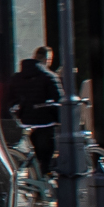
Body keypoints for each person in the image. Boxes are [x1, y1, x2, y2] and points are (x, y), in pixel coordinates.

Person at [10, 46, 63, 175]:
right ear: (46, 59)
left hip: (25, 120)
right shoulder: (49, 76)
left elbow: (11, 97)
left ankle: (34, 180)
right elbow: (60, 100)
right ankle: (43, 186)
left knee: (36, 154)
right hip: (45, 122)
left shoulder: (18, 76)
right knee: (46, 158)